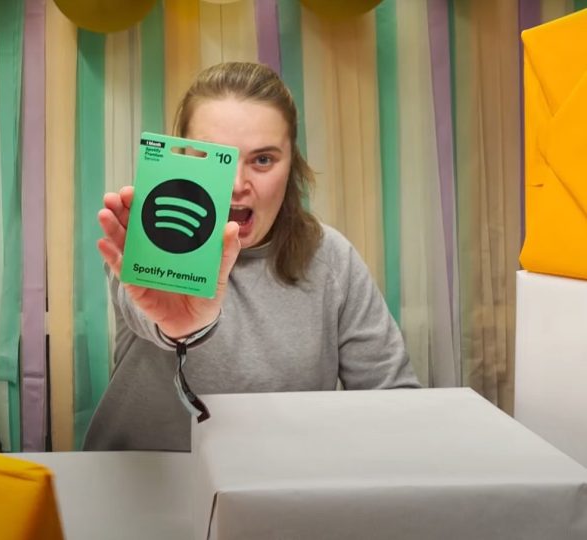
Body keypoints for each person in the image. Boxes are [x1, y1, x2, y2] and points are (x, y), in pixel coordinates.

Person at [83, 61, 419, 452]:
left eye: (262, 160)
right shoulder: (152, 237)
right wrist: (181, 326)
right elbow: (147, 312)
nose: (237, 185)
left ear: (292, 164)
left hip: (275, 489)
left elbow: (397, 402)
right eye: (215, 157)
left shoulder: (332, 259)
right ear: (183, 158)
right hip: (144, 487)